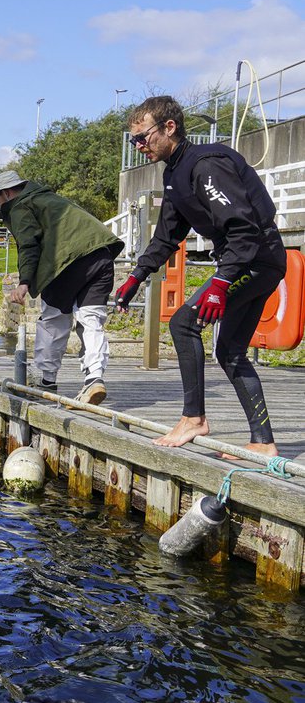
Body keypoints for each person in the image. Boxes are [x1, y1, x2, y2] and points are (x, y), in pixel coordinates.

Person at [115, 95, 286, 458]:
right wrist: (136, 277)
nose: (139, 146)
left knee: (183, 323)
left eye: (143, 137)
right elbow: (167, 236)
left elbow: (243, 228)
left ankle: (193, 418)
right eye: (134, 141)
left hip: (255, 258)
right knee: (230, 351)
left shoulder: (206, 165)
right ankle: (263, 442)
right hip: (249, 260)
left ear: (169, 127)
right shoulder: (174, 173)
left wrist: (221, 284)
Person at [0, 169, 124, 404]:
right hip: (101, 256)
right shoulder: (51, 198)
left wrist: (24, 282)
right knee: (91, 320)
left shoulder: (20, 206)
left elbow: (28, 246)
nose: (0, 207)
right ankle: (94, 379)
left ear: (7, 193)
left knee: (53, 321)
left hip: (65, 263)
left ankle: (47, 380)